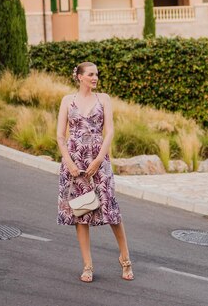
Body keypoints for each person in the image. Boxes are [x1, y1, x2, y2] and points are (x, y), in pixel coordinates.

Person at [56, 61, 133, 283]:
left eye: (96, 74)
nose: (95, 78)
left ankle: (125, 257)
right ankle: (88, 265)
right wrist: (68, 162)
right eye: (90, 74)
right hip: (75, 161)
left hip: (99, 159)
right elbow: (60, 135)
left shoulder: (104, 99)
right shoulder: (67, 101)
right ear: (79, 77)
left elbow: (110, 131)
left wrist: (99, 159)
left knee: (111, 210)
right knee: (81, 213)